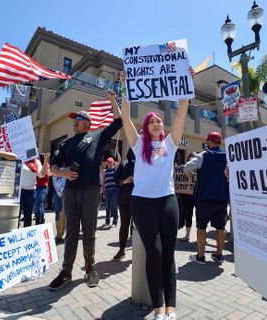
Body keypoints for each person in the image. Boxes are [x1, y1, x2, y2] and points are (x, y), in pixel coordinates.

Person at [120, 70, 191, 320]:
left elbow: (182, 112)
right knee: (154, 252)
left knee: (168, 253)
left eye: (159, 121)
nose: (156, 124)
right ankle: (157, 307)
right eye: (152, 121)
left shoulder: (170, 143)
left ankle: (171, 306)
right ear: (146, 126)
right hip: (142, 203)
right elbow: (125, 116)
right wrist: (127, 89)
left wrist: (187, 83)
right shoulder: (139, 145)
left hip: (167, 202)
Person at [49, 91, 122, 290]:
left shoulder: (97, 135)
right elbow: (53, 167)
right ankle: (66, 273)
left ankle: (90, 269)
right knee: (72, 234)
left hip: (91, 190)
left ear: (88, 123)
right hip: (70, 192)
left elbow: (119, 121)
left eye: (79, 118)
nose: (75, 120)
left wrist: (113, 100)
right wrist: (62, 172)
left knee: (89, 233)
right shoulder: (65, 143)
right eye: (74, 118)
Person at [184, 131, 229, 264]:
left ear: (209, 141)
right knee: (220, 228)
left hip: (204, 199)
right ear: (219, 142)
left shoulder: (203, 155)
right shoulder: (228, 156)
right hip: (222, 199)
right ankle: (219, 255)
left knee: (201, 227)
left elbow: (187, 167)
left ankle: (201, 256)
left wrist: (191, 173)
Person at [112, 148, 135, 261]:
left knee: (139, 228)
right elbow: (115, 179)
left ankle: (139, 253)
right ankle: (121, 250)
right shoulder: (124, 164)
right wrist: (124, 181)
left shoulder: (143, 165)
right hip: (125, 200)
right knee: (124, 226)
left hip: (139, 201)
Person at [20, 157, 47, 227]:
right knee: (16, 214)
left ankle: (26, 234)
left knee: (28, 215)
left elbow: (42, 175)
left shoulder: (36, 162)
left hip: (30, 191)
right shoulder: (19, 158)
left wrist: (46, 161)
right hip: (18, 191)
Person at [179, 152, 197, 242]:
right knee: (188, 215)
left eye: (194, 156)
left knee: (200, 216)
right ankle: (187, 235)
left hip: (197, 195)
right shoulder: (183, 168)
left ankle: (202, 236)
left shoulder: (200, 168)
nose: (192, 158)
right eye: (191, 156)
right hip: (186, 196)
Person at [101, 149, 121, 228]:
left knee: (114, 206)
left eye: (110, 162)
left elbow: (119, 160)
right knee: (107, 206)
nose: (109, 164)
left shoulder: (114, 168)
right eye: (108, 162)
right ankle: (107, 221)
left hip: (115, 190)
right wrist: (103, 190)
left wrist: (117, 152)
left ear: (113, 163)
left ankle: (115, 222)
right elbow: (103, 182)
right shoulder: (104, 171)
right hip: (107, 191)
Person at [34, 153, 51, 225]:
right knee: (39, 205)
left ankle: (38, 223)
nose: (36, 159)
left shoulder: (46, 165)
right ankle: (42, 220)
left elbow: (48, 174)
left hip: (43, 187)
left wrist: (45, 162)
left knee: (38, 204)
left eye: (37, 158)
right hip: (36, 186)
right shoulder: (37, 165)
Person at [52, 173, 66, 244]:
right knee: (57, 214)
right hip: (57, 193)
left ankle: (68, 235)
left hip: (67, 192)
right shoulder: (54, 164)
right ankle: (58, 236)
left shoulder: (68, 164)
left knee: (65, 215)